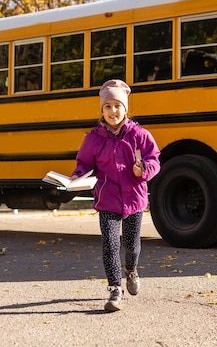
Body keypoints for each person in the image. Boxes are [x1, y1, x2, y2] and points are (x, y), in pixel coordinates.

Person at [71, 79, 161, 312]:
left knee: (131, 245)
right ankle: (114, 289)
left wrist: (143, 170)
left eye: (117, 106)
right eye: (108, 106)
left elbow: (154, 160)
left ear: (126, 109)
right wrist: (77, 176)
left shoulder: (139, 135)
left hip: (134, 199)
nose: (113, 111)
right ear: (101, 110)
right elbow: (83, 163)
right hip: (107, 198)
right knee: (110, 244)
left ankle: (131, 270)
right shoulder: (93, 139)